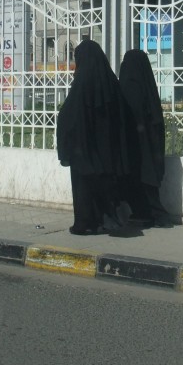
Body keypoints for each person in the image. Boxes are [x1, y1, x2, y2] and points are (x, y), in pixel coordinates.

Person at [56, 40, 132, 235]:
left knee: (84, 186)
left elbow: (68, 117)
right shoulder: (111, 81)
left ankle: (87, 223)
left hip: (83, 149)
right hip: (108, 150)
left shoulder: (81, 83)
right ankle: (110, 219)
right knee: (106, 182)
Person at [118, 49, 172, 228]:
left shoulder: (128, 85)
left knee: (137, 178)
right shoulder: (146, 86)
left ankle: (147, 214)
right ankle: (151, 214)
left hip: (133, 145)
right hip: (148, 144)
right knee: (147, 179)